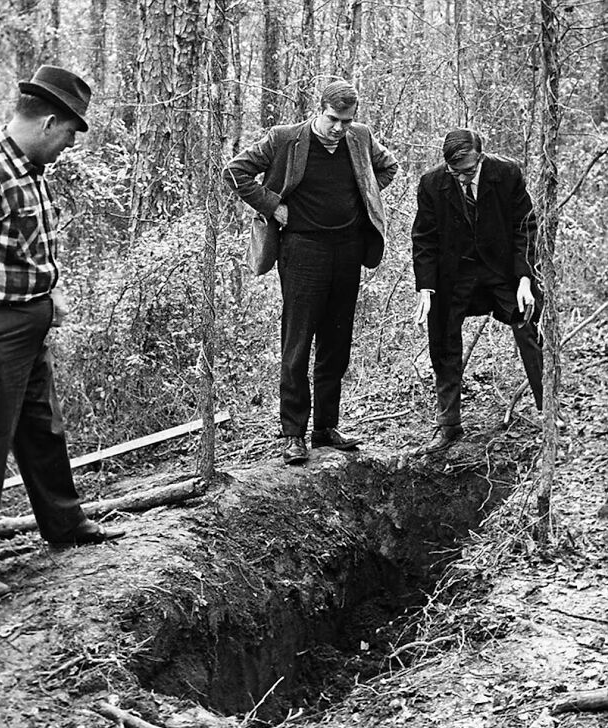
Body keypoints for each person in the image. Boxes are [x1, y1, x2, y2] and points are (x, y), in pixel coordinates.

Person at [0, 65, 124, 602]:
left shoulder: (29, 169)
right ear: (48, 121)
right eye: (69, 133)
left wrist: (48, 297)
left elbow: (28, 247)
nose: (68, 145)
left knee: (43, 427)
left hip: (25, 324)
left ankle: (64, 524)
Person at [223, 80, 398, 465]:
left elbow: (388, 167)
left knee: (337, 342)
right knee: (298, 342)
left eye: (347, 121)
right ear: (319, 110)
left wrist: (364, 198)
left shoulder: (361, 138)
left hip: (348, 250)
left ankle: (325, 428)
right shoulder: (286, 139)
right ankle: (293, 435)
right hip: (302, 250)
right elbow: (236, 171)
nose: (339, 128)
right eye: (334, 119)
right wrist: (273, 206)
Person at [412, 128, 543, 453]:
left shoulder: (506, 172)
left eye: (468, 171)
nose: (461, 178)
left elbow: (525, 226)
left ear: (481, 158)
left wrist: (525, 279)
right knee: (441, 337)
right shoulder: (432, 183)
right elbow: (424, 238)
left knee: (529, 321)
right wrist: (426, 288)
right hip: (452, 276)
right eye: (454, 172)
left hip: (501, 271)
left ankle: (549, 413)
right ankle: (448, 425)